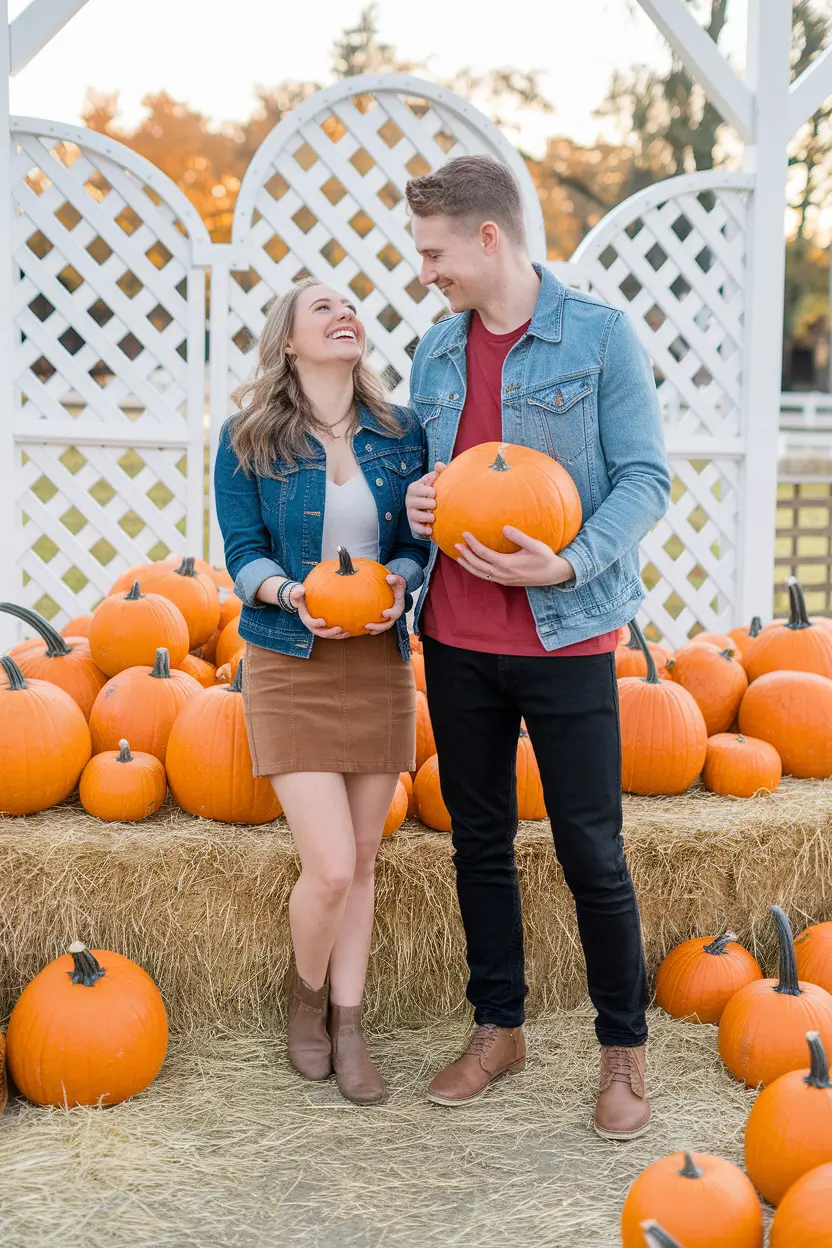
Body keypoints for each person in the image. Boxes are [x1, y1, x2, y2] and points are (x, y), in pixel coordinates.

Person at [403, 155, 671, 1139]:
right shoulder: (435, 351)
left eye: (434, 253)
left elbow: (644, 480)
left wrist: (568, 567)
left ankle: (621, 1056)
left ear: (488, 237)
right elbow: (427, 482)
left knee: (589, 852)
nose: (425, 272)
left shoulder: (598, 338)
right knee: (479, 845)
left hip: (566, 636)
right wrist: (415, 502)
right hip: (457, 637)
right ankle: (497, 1029)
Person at [214, 278, 428, 1105]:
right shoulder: (248, 439)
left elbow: (419, 542)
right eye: (322, 309)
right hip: (290, 658)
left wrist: (399, 586)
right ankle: (305, 1003)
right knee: (332, 866)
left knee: (367, 859)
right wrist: (290, 594)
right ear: (290, 342)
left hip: (377, 660)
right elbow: (241, 552)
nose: (345, 315)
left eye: (351, 305)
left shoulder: (400, 432)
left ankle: (350, 1022)